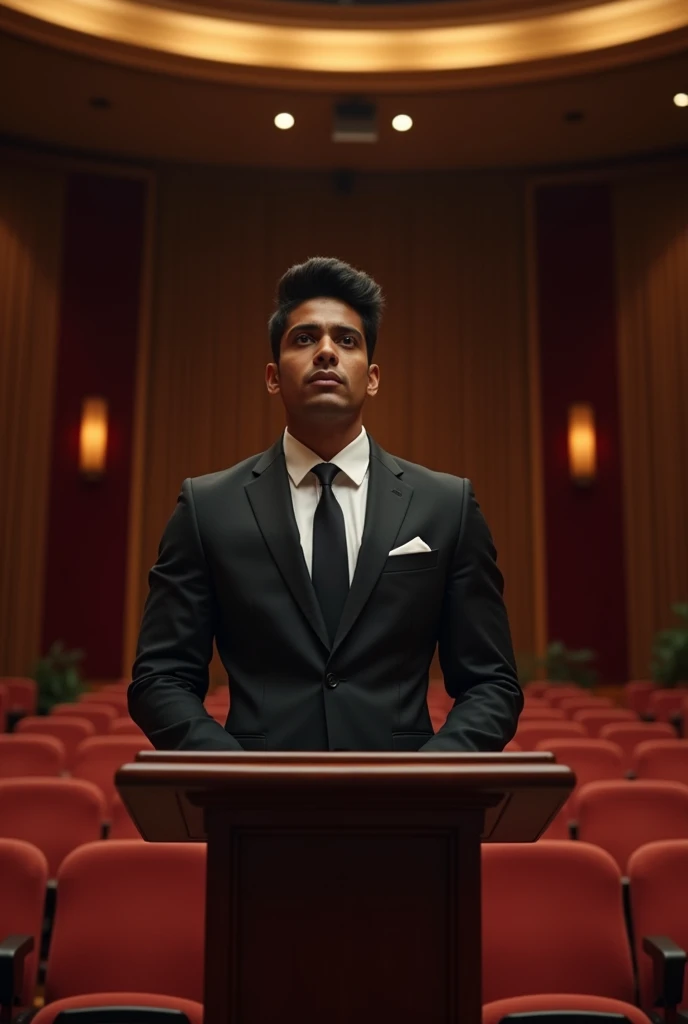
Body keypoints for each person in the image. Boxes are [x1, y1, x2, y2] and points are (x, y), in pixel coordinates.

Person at [129, 256, 522, 751]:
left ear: (372, 377)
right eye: (304, 338)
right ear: (273, 376)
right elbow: (160, 678)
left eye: (347, 340)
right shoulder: (207, 507)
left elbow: (492, 683)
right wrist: (234, 776)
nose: (326, 352)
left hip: (411, 811)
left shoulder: (447, 505)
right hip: (253, 810)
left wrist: (430, 777)